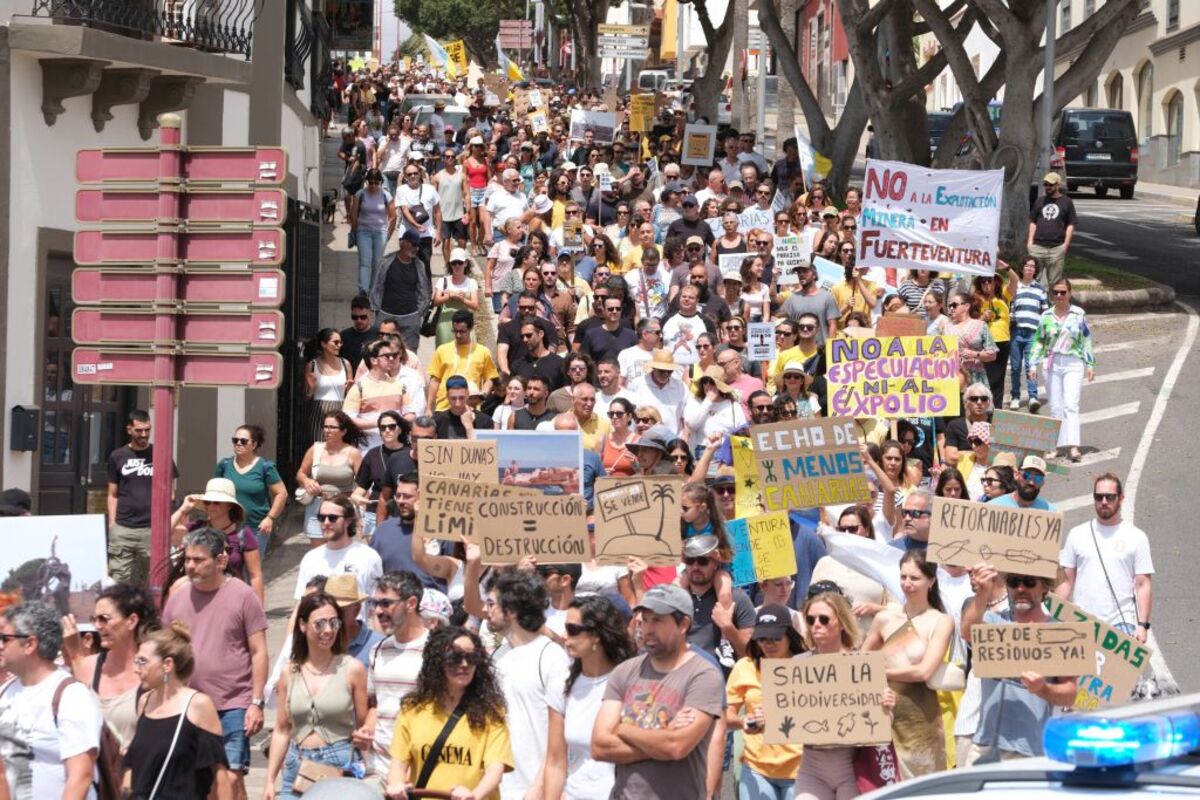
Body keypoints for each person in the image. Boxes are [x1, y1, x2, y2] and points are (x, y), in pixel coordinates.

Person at [160, 527, 269, 800]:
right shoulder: (176, 599)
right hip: (190, 705)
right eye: (187, 560)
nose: (190, 566)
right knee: (203, 784)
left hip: (233, 704)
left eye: (198, 560)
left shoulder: (243, 596)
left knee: (231, 778)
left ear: (220, 561)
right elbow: (166, 653)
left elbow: (259, 652)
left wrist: (256, 702)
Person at [591, 584, 725, 800]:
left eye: (657, 620)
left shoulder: (703, 675)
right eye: (644, 620)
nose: (647, 629)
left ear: (683, 624)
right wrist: (661, 737)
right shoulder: (625, 671)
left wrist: (623, 729)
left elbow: (676, 746)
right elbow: (599, 746)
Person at [961, 563, 1078, 762]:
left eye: (1029, 582)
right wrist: (983, 593)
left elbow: (1070, 694)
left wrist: (1043, 689)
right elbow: (967, 632)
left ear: (1044, 587)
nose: (1021, 589)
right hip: (986, 744)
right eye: (1014, 583)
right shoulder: (993, 621)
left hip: (1029, 749)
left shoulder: (1060, 633)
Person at [793, 589, 897, 800]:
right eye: (811, 620)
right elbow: (783, 715)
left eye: (823, 619)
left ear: (841, 623)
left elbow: (885, 724)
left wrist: (887, 707)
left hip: (853, 767)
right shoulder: (798, 666)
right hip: (812, 767)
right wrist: (761, 718)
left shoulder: (863, 667)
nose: (816, 626)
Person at [385, 626, 511, 799]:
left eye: (472, 657)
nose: (465, 664)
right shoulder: (412, 709)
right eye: (455, 657)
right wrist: (396, 786)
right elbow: (398, 764)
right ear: (437, 661)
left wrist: (474, 795)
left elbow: (495, 769)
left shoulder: (492, 712)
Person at [265, 593, 368, 799]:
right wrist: (269, 780)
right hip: (296, 764)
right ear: (303, 625)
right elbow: (282, 730)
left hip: (337, 765)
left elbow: (363, 727)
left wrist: (367, 770)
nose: (328, 630)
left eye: (334, 622)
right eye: (320, 623)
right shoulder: (289, 672)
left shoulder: (352, 669)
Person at [863, 551, 954, 778]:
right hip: (883, 713)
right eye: (903, 577)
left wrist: (883, 671)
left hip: (922, 718)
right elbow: (861, 664)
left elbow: (924, 671)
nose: (907, 583)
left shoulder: (941, 621)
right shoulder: (884, 618)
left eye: (914, 578)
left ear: (931, 581)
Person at [0, 602, 103, 800]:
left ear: (30, 644)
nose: (0, 646)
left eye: (5, 639)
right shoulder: (5, 692)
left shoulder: (71, 695)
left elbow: (81, 776)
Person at [484, 569, 571, 798]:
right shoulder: (497, 656)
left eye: (491, 604)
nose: (485, 610)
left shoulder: (552, 657)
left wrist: (538, 788)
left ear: (511, 611)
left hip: (533, 790)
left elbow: (560, 738)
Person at [543, 595, 638, 800]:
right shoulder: (561, 685)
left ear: (597, 635)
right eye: (566, 627)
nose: (564, 635)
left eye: (573, 629)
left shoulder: (631, 683)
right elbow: (555, 761)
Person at [124, 622, 229, 799]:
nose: (136, 669)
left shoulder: (198, 705)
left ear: (167, 664)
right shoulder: (144, 701)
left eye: (143, 661)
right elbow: (134, 766)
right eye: (136, 660)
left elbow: (221, 778)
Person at [61, 584, 159, 751]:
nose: (97, 626)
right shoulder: (88, 666)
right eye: (94, 619)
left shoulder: (152, 669)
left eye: (104, 619)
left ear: (132, 621)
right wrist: (74, 653)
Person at [1056, 473, 1153, 640]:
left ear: (1121, 498)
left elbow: (1143, 583)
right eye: (1098, 497)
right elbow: (1066, 581)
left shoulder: (1137, 537)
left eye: (1110, 497)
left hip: (1121, 625)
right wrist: (1054, 616)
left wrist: (1142, 625)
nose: (1104, 502)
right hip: (1082, 622)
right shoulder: (1077, 534)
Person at [724, 605, 805, 800]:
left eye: (776, 638)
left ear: (789, 636)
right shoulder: (744, 667)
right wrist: (745, 721)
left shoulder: (807, 667)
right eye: (762, 639)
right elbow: (725, 715)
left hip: (802, 769)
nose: (768, 644)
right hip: (756, 769)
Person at [364, 571, 430, 788]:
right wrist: (368, 728)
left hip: (421, 767)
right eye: (375, 603)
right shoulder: (378, 650)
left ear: (411, 603)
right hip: (379, 766)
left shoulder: (437, 650)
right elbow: (375, 704)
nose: (378, 611)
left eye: (386, 603)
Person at [107, 409, 176, 586]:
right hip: (123, 528)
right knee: (119, 580)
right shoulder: (117, 456)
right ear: (129, 430)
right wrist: (112, 524)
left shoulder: (162, 454)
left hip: (151, 528)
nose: (144, 434)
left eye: (147, 429)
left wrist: (164, 522)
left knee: (152, 580)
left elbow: (171, 492)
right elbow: (112, 494)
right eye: (139, 430)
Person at [170, 478, 265, 606]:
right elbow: (163, 534)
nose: (211, 506)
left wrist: (259, 611)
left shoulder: (243, 534)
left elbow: (256, 575)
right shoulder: (196, 529)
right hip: (197, 600)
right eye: (208, 502)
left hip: (232, 602)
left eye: (217, 502)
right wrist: (182, 510)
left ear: (230, 505)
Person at [1030, 277, 1094, 462]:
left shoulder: (1078, 314)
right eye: (1055, 292)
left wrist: (1090, 364)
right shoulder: (1046, 316)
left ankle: (1074, 446)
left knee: (1071, 405)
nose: (1059, 296)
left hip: (1073, 362)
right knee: (1055, 406)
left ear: (1069, 293)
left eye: (1062, 292)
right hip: (1052, 362)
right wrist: (1033, 364)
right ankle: (1054, 446)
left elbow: (1086, 340)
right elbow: (1038, 341)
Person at [295, 494, 383, 605]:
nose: (326, 523)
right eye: (322, 518)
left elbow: (377, 603)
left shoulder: (369, 557)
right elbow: (301, 603)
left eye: (333, 518)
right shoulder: (310, 559)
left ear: (348, 521)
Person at [214, 424, 287, 555]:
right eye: (235, 440)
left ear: (254, 445)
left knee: (251, 572)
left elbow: (281, 493)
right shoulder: (224, 465)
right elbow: (214, 493)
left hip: (256, 528)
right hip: (227, 526)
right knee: (229, 568)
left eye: (243, 441)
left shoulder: (265, 467)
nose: (238, 444)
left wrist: (270, 518)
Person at [296, 412, 364, 545]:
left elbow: (363, 483)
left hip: (342, 507)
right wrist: (307, 481)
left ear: (343, 431)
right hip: (317, 505)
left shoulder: (353, 453)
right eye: (325, 426)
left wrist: (361, 513)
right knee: (318, 553)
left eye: (332, 427)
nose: (327, 430)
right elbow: (300, 473)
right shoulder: (315, 449)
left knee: (341, 550)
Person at [425, 310, 499, 413]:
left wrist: (483, 394)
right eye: (455, 331)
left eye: (462, 331)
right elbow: (435, 380)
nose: (458, 335)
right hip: (444, 408)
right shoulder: (442, 350)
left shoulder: (483, 352)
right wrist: (428, 407)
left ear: (471, 328)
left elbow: (490, 377)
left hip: (471, 409)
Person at [370, 231, 432, 352]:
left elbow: (424, 291)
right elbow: (376, 286)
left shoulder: (419, 265)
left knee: (409, 356)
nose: (416, 248)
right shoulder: (386, 261)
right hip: (385, 316)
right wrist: (376, 309)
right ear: (403, 243)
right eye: (413, 244)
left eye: (418, 245)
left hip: (410, 318)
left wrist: (417, 314)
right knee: (381, 353)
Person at [304, 329, 355, 454]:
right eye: (336, 342)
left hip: (341, 409)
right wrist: (310, 388)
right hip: (319, 410)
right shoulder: (312, 365)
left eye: (341, 343)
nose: (339, 346)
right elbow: (305, 398)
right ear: (324, 344)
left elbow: (351, 394)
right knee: (319, 448)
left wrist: (349, 389)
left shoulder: (345, 364)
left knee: (341, 447)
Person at [349, 169, 397, 294]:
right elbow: (353, 215)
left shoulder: (386, 195)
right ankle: (363, 289)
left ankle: (373, 289)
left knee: (377, 263)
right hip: (363, 231)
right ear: (366, 182)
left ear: (380, 182)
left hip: (380, 232)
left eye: (376, 183)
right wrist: (354, 231)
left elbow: (393, 216)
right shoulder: (360, 194)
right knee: (365, 261)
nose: (373, 185)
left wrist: (388, 234)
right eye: (371, 182)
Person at [1026, 171, 1076, 286]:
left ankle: (1053, 303)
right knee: (1033, 281)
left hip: (1057, 248)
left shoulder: (1067, 202)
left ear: (1058, 185)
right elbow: (1033, 222)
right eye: (1046, 184)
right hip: (1037, 247)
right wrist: (1030, 242)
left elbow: (1071, 224)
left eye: (1051, 185)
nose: (1048, 187)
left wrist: (1065, 245)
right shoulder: (1040, 201)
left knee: (1055, 283)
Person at [945, 292, 997, 388]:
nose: (951, 308)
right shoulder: (947, 328)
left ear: (966, 306)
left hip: (976, 377)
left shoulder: (980, 325)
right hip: (954, 377)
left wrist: (975, 354)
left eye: (954, 305)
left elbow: (993, 355)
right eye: (950, 306)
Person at [432, 249, 481, 347]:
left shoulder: (471, 282)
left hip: (465, 324)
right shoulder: (443, 281)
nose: (457, 266)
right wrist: (449, 296)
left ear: (466, 263)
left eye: (460, 262)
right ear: (450, 264)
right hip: (445, 323)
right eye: (454, 263)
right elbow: (436, 301)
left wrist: (462, 300)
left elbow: (475, 305)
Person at [990, 456, 1055, 510]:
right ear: (1016, 475)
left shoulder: (1049, 512)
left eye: (1038, 478)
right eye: (1026, 476)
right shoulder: (994, 507)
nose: (1031, 482)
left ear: (1042, 482)